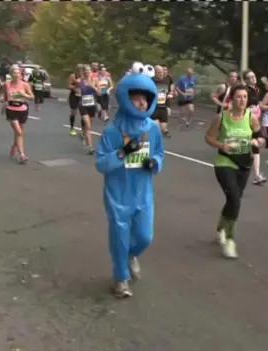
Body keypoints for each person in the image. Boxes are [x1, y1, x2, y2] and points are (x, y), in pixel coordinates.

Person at [95, 71, 165, 298]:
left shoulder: (152, 129)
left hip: (143, 193)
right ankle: (120, 279)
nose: (142, 102)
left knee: (145, 236)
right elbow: (101, 164)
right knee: (119, 236)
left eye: (146, 98)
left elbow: (160, 154)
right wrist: (123, 152)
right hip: (118, 194)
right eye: (136, 98)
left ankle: (131, 255)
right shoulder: (112, 132)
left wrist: (154, 162)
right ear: (125, 99)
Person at [204, 85, 265, 258]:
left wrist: (257, 142)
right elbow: (208, 137)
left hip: (244, 163)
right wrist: (222, 145)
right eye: (239, 97)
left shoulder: (251, 118)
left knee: (234, 200)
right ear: (232, 99)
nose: (242, 100)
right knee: (234, 199)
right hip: (224, 162)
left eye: (245, 97)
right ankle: (230, 240)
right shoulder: (221, 118)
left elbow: (261, 138)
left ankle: (221, 228)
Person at [1, 65, 33, 164]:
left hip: (22, 109)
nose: (16, 75)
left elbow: (32, 97)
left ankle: (15, 146)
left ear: (20, 74)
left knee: (19, 132)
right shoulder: (7, 84)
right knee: (19, 132)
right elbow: (4, 96)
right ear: (11, 74)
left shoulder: (25, 85)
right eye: (14, 73)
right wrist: (2, 99)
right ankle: (22, 155)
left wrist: (24, 95)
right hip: (11, 109)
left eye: (18, 73)